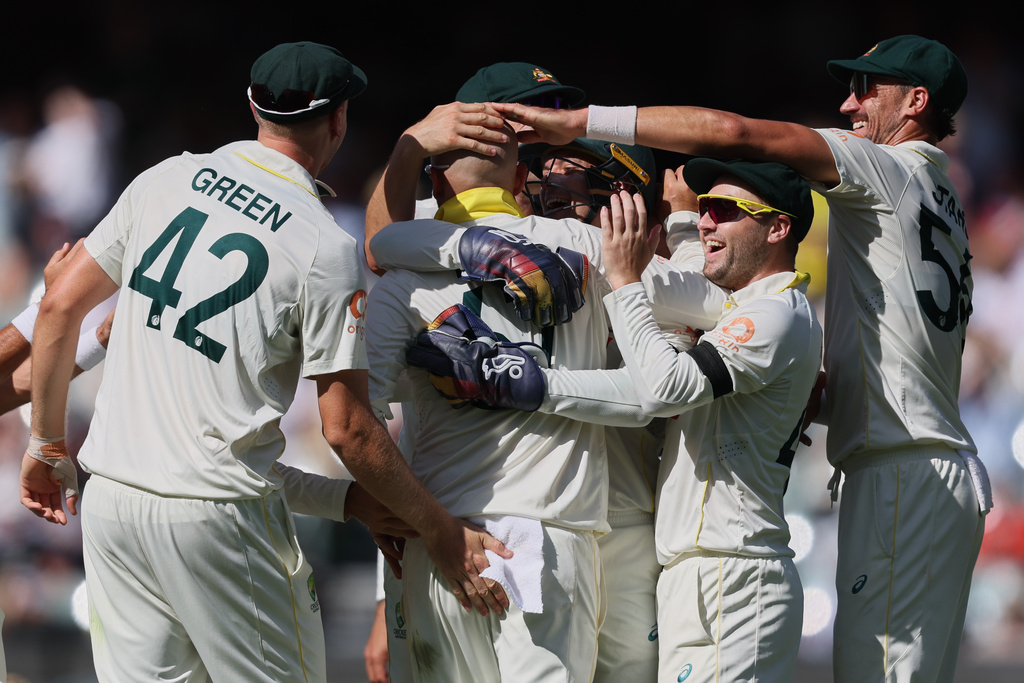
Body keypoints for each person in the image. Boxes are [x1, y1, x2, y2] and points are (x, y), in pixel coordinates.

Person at [494, 33, 989, 683]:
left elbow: (733, 133)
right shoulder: (941, 191)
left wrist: (579, 123)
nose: (847, 105)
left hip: (900, 473)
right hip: (922, 460)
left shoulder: (885, 170)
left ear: (916, 101)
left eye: (868, 89)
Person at [18, 41, 510, 683]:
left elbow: (57, 308)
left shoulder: (164, 177)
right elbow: (348, 430)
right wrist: (441, 532)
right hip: (221, 524)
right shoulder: (323, 245)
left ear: (252, 107)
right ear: (338, 122)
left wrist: (46, 443)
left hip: (109, 501)